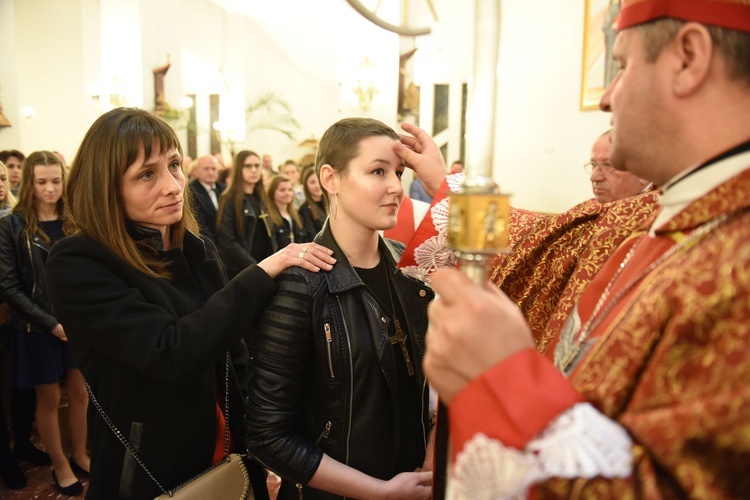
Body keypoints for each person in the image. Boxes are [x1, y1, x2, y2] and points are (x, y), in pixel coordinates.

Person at [410, 2, 750, 497]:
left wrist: (507, 379)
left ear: (688, 58)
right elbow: (548, 237)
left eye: (622, 65)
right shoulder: (660, 218)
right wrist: (448, 184)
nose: (607, 99)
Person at [44, 108, 336, 499]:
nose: (173, 185)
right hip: (152, 462)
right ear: (106, 186)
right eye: (147, 174)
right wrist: (263, 272)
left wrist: (263, 436)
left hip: (226, 447)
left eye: (175, 165)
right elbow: (171, 352)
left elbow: (234, 356)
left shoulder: (193, 248)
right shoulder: (78, 261)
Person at [245, 117, 434, 500]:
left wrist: (428, 466)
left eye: (399, 173)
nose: (396, 187)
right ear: (330, 179)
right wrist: (379, 491)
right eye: (377, 171)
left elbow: (436, 381)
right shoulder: (301, 283)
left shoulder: (411, 269)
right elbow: (267, 434)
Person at [0, 151, 89, 496]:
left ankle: (80, 453)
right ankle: (60, 464)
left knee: (81, 392)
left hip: (75, 322)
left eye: (56, 181)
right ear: (28, 183)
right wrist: (51, 324)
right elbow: (9, 286)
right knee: (49, 397)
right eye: (41, 182)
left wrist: (78, 318)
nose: (50, 189)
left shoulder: (74, 219)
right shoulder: (12, 224)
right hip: (35, 326)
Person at [217, 150, 276, 279]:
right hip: (240, 268)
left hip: (265, 264)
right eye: (248, 166)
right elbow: (227, 239)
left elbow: (271, 233)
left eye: (257, 165)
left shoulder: (262, 196)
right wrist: (254, 266)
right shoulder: (229, 198)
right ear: (239, 169)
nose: (254, 170)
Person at [586, 129, 651, 204]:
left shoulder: (660, 212)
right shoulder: (582, 211)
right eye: (593, 165)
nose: (593, 177)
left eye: (608, 165)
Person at [188, 155, 225, 244]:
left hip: (226, 244)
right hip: (207, 244)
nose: (211, 172)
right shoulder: (191, 192)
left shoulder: (223, 189)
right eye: (206, 169)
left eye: (213, 169)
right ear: (196, 171)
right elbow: (200, 226)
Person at [266, 174, 306, 248]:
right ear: (272, 192)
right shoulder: (268, 216)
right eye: (282, 190)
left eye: (290, 190)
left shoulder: (297, 215)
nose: (287, 193)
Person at [298, 165, 327, 241]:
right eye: (312, 182)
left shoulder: (330, 203)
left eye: (319, 181)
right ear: (306, 186)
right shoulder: (304, 209)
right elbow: (312, 236)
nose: (317, 186)